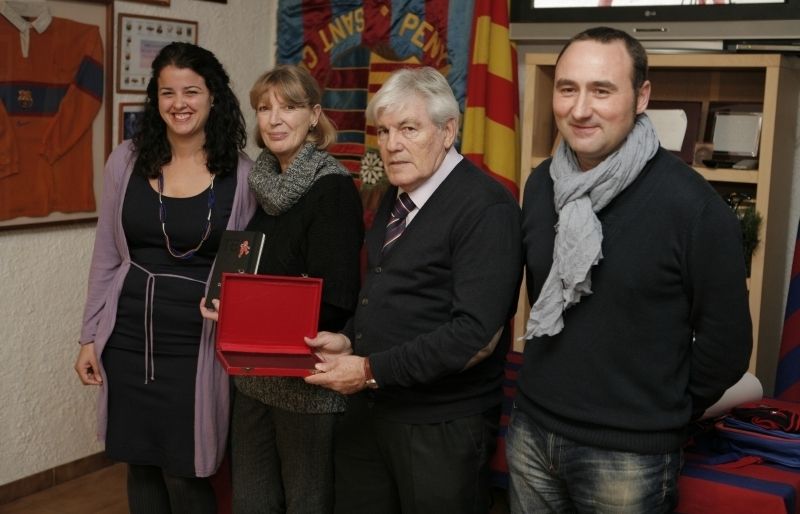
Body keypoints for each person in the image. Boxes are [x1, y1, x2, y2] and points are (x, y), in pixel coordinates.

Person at [506, 26, 752, 513]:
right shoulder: (541, 185)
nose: (580, 109)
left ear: (641, 97)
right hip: (531, 432)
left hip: (628, 457)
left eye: (602, 91)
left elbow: (726, 346)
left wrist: (662, 412)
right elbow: (541, 296)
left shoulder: (693, 208)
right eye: (567, 88)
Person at [304, 66, 523, 514]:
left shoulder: (487, 208)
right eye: (384, 132)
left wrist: (368, 369)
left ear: (448, 131)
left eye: (408, 129)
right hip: (371, 413)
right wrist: (350, 338)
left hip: (440, 427)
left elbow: (474, 337)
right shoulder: (398, 191)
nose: (391, 145)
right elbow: (395, 294)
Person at [74, 42, 256, 514]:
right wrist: (90, 336)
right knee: (139, 465)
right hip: (127, 336)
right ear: (155, 99)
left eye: (191, 91)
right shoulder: (126, 160)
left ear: (213, 95)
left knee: (187, 471)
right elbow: (106, 254)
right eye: (167, 92)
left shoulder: (242, 176)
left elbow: (244, 266)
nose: (179, 103)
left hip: (197, 344)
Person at [200, 64, 364, 513]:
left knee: (307, 503)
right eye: (264, 108)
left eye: (289, 107)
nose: (274, 119)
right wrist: (227, 303)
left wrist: (249, 315)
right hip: (254, 377)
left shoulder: (332, 188)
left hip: (308, 381)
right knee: (252, 503)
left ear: (314, 116)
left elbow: (336, 300)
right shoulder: (263, 181)